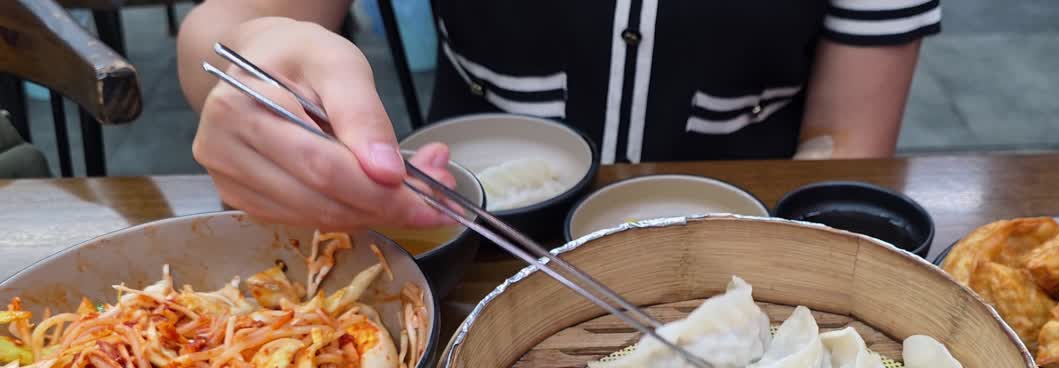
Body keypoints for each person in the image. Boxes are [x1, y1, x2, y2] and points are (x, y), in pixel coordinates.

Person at [177, 1, 940, 231]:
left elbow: (846, 152)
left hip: (742, 245)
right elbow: (221, 29)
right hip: (451, 242)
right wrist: (256, 55)